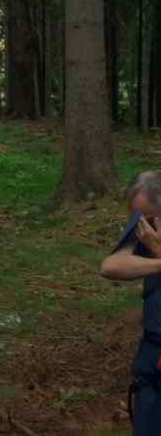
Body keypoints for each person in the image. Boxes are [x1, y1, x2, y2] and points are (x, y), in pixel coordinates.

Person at [100, 170, 161, 436]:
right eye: (140, 217)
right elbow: (112, 266)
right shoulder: (145, 225)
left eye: (150, 216)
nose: (143, 225)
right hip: (154, 347)